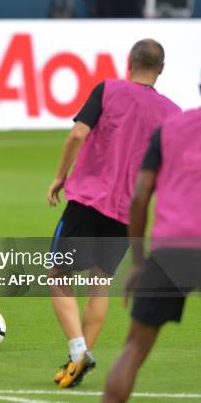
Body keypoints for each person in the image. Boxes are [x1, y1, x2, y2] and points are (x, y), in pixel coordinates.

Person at [46, 38, 180, 388]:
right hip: (126, 212)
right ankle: (78, 361)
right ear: (161, 70)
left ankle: (78, 352)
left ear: (128, 62)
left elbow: (77, 134)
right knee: (99, 284)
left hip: (88, 200)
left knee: (57, 277)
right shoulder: (172, 113)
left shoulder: (108, 90)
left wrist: (60, 176)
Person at [102, 98, 201, 402]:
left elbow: (140, 195)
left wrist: (137, 262)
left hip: (171, 247)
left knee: (134, 347)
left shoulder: (170, 128)